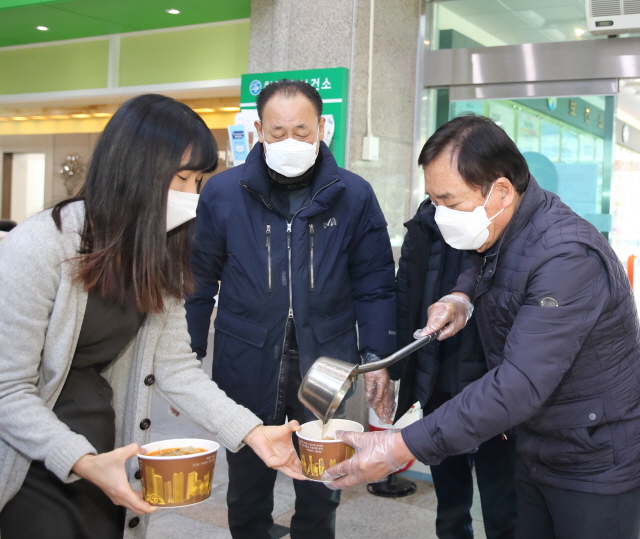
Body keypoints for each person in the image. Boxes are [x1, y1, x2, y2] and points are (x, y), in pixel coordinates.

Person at [0, 94, 304, 539]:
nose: (192, 196)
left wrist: (254, 433)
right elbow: (7, 390)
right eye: (181, 178)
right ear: (134, 169)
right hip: (34, 457)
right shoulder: (42, 245)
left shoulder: (155, 251)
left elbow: (176, 368)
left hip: (107, 449)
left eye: (198, 180)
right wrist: (80, 459)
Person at [323, 114, 640, 539]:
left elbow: (519, 382)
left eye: (450, 203)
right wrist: (460, 298)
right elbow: (491, 264)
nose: (440, 216)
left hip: (594, 458)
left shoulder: (568, 257)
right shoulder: (514, 225)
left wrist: (400, 445)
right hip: (537, 444)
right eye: (433, 201)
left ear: (501, 190)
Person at [185, 79, 397, 539]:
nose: (290, 142)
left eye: (301, 131)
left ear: (322, 127)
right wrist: (186, 359)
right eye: (278, 132)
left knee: (323, 477)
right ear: (259, 130)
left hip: (328, 359)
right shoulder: (223, 192)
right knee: (247, 477)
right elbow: (197, 281)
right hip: (245, 354)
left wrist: (377, 356)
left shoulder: (354, 194)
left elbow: (376, 283)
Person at [392, 196, 517, 539]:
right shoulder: (425, 222)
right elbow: (406, 296)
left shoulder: (503, 221)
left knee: (503, 506)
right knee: (449, 504)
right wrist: (396, 371)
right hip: (438, 381)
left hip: (493, 387)